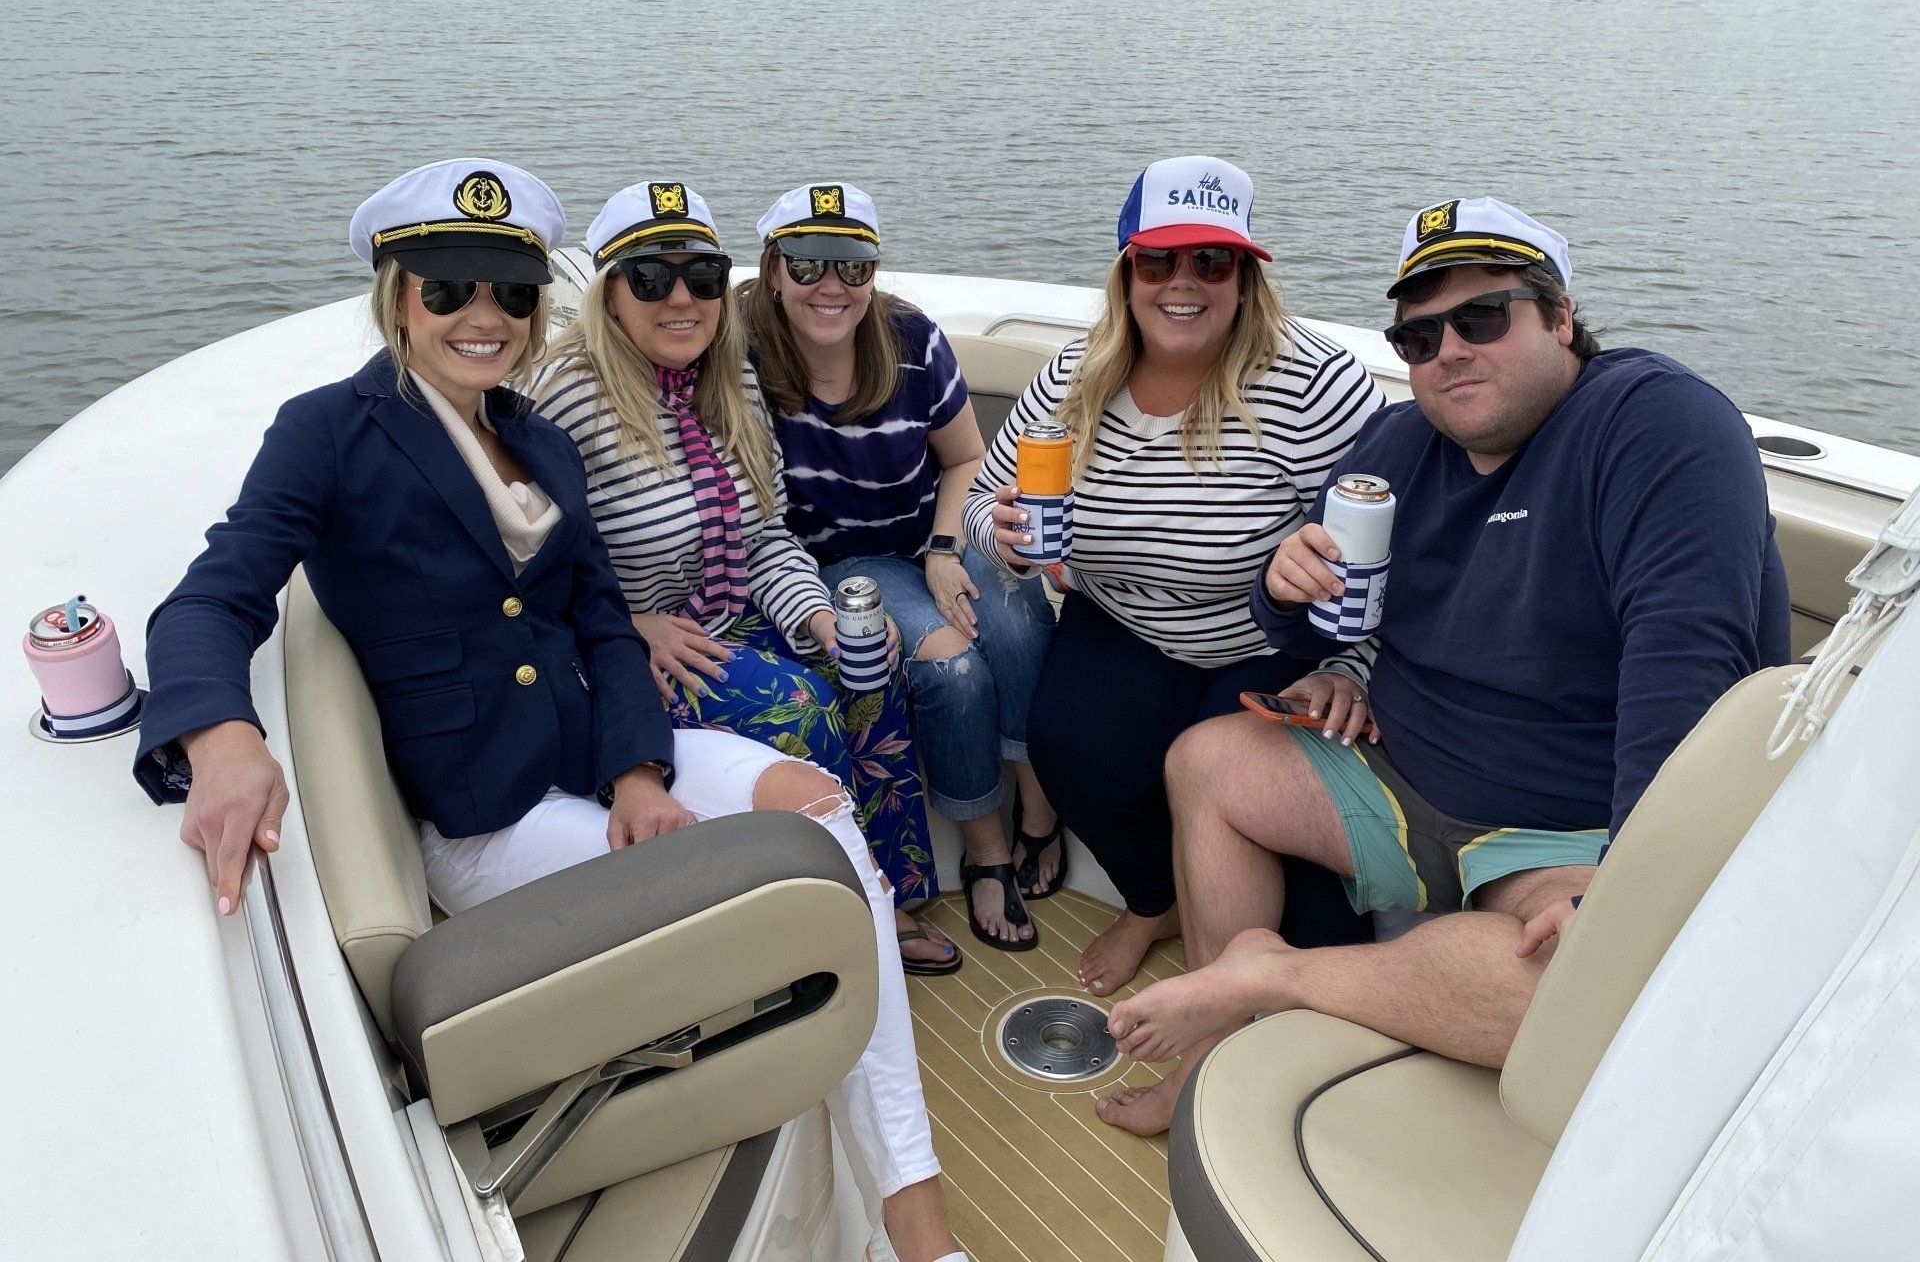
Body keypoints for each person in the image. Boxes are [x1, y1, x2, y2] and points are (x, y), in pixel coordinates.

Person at [134, 159, 966, 1262]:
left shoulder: (536, 440)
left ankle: (911, 1214)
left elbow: (601, 623)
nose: (484, 317)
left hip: (593, 752)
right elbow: (213, 594)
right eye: (449, 288)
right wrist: (221, 735)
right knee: (802, 886)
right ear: (398, 299)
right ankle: (918, 1232)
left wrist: (638, 774)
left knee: (821, 809)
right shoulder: (330, 432)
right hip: (490, 810)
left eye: (513, 293)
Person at [1100, 196, 1791, 1137]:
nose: (1449, 352)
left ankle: (1270, 977)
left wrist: (1624, 882)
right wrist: (1282, 590)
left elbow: (1686, 666)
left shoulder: (1655, 423)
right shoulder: (1398, 447)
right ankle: (1208, 1062)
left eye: (1482, 318)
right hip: (1400, 777)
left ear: (1560, 317)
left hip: (1562, 827)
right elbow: (1312, 632)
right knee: (1205, 761)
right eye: (1419, 337)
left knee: (1588, 989)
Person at [964, 156, 1385, 1000]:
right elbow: (982, 495)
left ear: (1245, 276)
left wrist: (1351, 666)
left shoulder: (1314, 385)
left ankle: (1262, 992)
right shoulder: (1075, 377)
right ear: (1126, 272)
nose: (1182, 282)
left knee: (1313, 901)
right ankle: (1154, 902)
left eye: (1212, 260)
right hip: (1124, 618)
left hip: (1268, 639)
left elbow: (1385, 546)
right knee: (1073, 754)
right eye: (1158, 260)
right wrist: (1002, 537)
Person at [533, 180, 958, 975]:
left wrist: (823, 622)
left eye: (701, 276)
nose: (681, 298)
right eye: (650, 278)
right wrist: (628, 624)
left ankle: (890, 890)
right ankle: (833, 909)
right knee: (801, 707)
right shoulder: (565, 398)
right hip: (627, 652)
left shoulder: (728, 378)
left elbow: (764, 537)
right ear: (610, 293)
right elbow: (528, 569)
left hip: (728, 614)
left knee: (871, 663)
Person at [740, 181, 1059, 952]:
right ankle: (987, 853)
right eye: (807, 263)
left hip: (930, 529)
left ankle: (1041, 810)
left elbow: (966, 458)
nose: (831, 285)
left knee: (1018, 617)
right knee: (953, 668)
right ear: (774, 268)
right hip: (835, 558)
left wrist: (945, 551)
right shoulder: (741, 354)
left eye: (853, 265)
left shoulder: (910, 338)